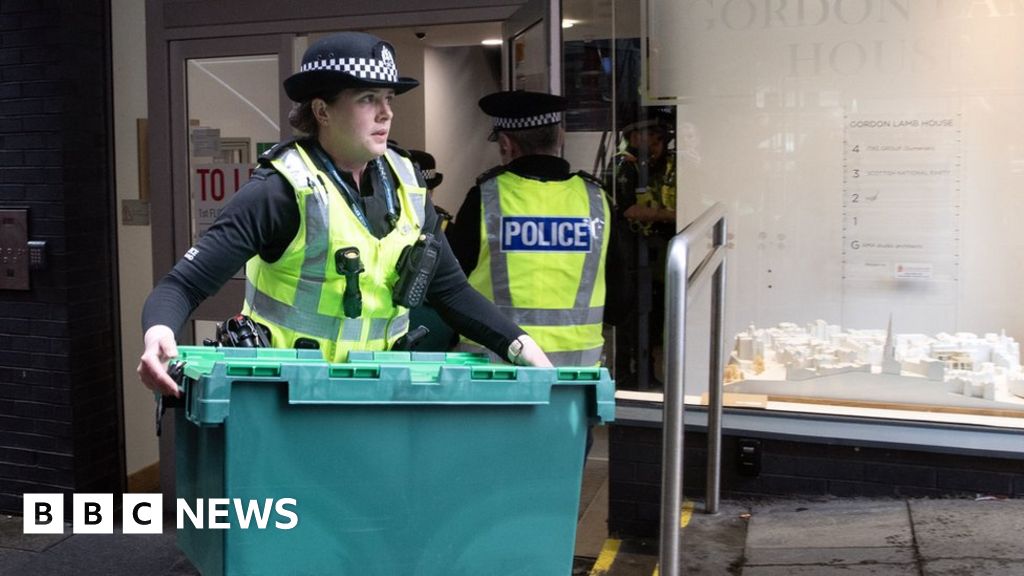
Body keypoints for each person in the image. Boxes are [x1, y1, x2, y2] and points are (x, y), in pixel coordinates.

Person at [138, 32, 551, 397]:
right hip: (285, 399)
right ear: (321, 111)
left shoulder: (407, 184)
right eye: (367, 99)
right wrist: (159, 333)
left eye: (387, 98)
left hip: (377, 394)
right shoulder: (280, 190)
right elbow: (183, 285)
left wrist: (517, 344)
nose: (386, 113)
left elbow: (451, 291)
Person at [446, 90, 623, 366]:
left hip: (496, 373)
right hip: (575, 374)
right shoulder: (597, 201)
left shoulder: (486, 198)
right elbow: (622, 300)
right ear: (560, 136)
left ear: (506, 143)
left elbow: (451, 287)